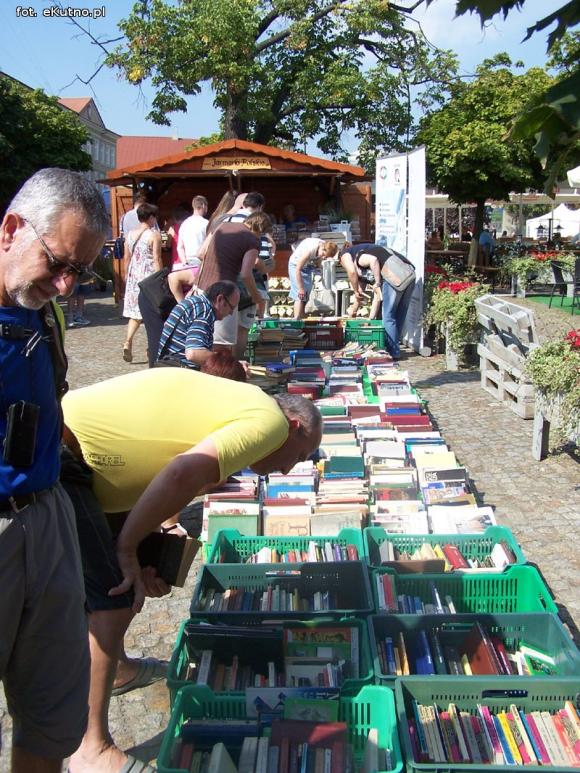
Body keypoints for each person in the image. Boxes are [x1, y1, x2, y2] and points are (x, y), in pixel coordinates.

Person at [60, 372, 322, 773]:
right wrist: (127, 547)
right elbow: (182, 471)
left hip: (82, 457)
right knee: (112, 601)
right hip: (67, 454)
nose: (288, 471)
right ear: (295, 425)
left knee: (120, 584)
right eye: (301, 456)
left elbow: (171, 470)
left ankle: (118, 670)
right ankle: (89, 749)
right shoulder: (269, 423)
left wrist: (145, 544)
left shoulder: (246, 405)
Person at [0, 167, 108, 773]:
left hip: (46, 517)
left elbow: (53, 409)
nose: (66, 285)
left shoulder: (44, 315)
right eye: (59, 262)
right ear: (12, 229)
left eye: (81, 272)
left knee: (52, 713)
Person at [195, 217, 263, 356]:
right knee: (221, 345)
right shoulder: (252, 240)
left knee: (203, 338)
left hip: (201, 287)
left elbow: (201, 254)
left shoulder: (221, 226)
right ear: (259, 230)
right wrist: (256, 296)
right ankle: (224, 369)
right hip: (224, 292)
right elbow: (246, 274)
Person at [339, 243, 416, 359]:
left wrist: (378, 283)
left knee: (388, 316)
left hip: (394, 277)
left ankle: (393, 352)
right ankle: (395, 350)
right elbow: (373, 295)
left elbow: (373, 260)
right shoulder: (367, 262)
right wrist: (368, 317)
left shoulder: (359, 257)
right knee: (399, 314)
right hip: (409, 274)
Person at [157, 280, 240, 368]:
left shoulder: (196, 303)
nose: (231, 313)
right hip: (179, 369)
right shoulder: (204, 311)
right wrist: (230, 365)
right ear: (220, 299)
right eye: (231, 308)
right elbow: (194, 353)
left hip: (168, 364)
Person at [122, 203, 163, 363]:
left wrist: (126, 276)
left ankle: (128, 341)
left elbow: (127, 258)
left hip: (134, 276)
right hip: (148, 277)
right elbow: (157, 258)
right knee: (151, 314)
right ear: (151, 217)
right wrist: (160, 278)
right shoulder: (154, 235)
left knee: (135, 313)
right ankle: (150, 348)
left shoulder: (130, 235)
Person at [288, 237, 338, 319]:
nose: (324, 258)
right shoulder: (309, 251)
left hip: (308, 265)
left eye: (326, 257)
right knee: (300, 295)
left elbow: (318, 261)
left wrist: (319, 268)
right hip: (295, 265)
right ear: (323, 249)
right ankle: (296, 318)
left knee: (307, 291)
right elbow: (298, 269)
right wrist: (301, 288)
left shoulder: (325, 245)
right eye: (324, 255)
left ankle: (302, 315)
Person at [176, 195, 208, 268]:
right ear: (203, 205)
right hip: (202, 262)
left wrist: (185, 263)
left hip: (188, 262)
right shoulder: (206, 223)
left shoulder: (184, 224)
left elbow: (180, 247)